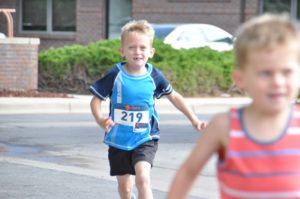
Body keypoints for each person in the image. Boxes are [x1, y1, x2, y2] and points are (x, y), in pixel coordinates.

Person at [167, 13, 300, 199]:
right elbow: (188, 171)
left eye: (287, 72)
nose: (277, 82)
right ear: (241, 79)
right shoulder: (224, 126)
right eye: (265, 73)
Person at [89, 19, 205, 199]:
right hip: (118, 140)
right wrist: (100, 119)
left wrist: (194, 119)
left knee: (143, 179)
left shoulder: (154, 76)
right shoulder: (116, 74)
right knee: (125, 190)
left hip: (146, 137)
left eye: (143, 48)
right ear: (122, 51)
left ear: (151, 52)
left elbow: (174, 96)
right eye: (132, 47)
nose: (137, 52)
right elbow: (95, 100)